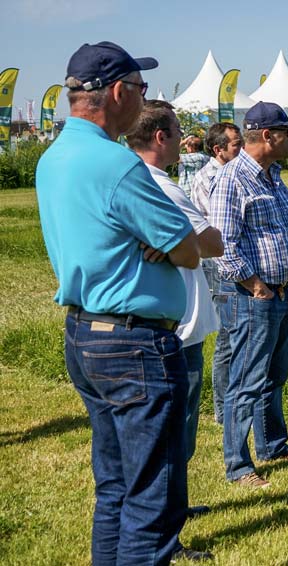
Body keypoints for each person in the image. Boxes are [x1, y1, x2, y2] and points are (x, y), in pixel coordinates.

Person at [35, 41, 210, 563]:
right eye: (139, 87)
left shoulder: (54, 158)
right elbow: (188, 250)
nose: (143, 97)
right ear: (117, 92)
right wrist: (175, 243)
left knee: (113, 486)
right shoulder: (118, 166)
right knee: (151, 499)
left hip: (86, 334)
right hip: (135, 344)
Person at [209, 101, 288, 489]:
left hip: (283, 292)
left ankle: (273, 445)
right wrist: (255, 285)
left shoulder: (273, 175)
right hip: (254, 297)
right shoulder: (234, 179)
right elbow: (223, 244)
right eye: (287, 132)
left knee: (274, 375)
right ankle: (237, 465)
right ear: (268, 136)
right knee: (246, 380)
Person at [128, 100, 223, 521]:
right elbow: (212, 243)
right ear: (161, 137)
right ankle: (167, 516)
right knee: (176, 432)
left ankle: (173, 505)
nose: (187, 142)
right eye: (179, 132)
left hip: (168, 320)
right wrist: (185, 238)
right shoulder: (164, 188)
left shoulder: (132, 180)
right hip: (178, 328)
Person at [190, 122, 244, 424]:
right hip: (218, 267)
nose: (241, 149)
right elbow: (220, 229)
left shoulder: (233, 173)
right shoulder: (208, 178)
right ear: (218, 149)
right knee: (226, 334)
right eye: (236, 144)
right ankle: (223, 409)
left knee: (238, 333)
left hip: (233, 262)